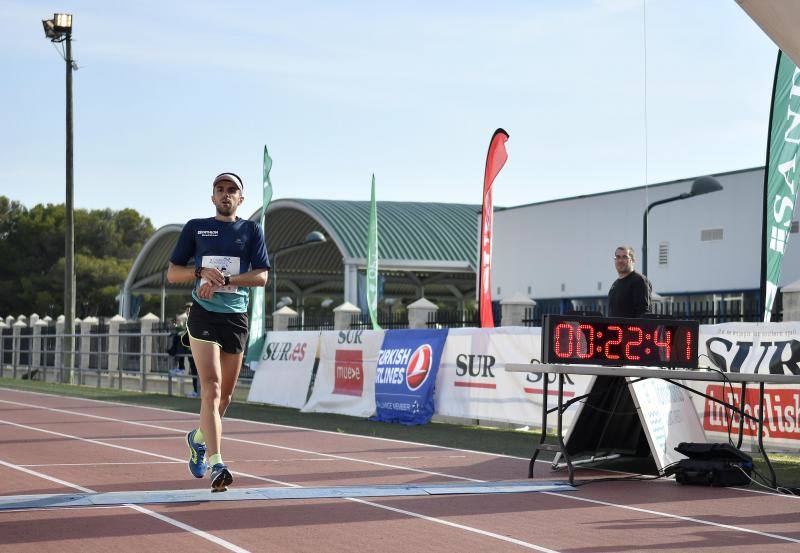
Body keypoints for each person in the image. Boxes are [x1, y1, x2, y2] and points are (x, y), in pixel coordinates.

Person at [167, 172, 269, 492]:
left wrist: (226, 281)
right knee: (209, 387)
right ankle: (216, 463)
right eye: (220, 190)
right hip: (203, 314)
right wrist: (200, 272)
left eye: (232, 190)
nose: (226, 195)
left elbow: (262, 277)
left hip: (235, 316)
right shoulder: (196, 227)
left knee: (224, 398)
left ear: (241, 198)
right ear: (212, 197)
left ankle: (197, 440)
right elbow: (172, 274)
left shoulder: (251, 230)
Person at [608, 246, 651, 317]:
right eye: (618, 257)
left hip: (630, 328)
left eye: (624, 257)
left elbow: (643, 313)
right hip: (613, 328)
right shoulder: (615, 284)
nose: (620, 260)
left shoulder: (639, 281)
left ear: (633, 261)